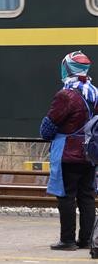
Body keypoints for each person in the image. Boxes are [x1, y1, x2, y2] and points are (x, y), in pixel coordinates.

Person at [40, 51, 98, 251]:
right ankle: (87, 240)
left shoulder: (66, 95)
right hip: (90, 153)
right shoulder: (95, 93)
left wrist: (47, 131)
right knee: (87, 196)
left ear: (67, 68)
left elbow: (48, 127)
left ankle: (67, 240)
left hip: (68, 153)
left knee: (66, 196)